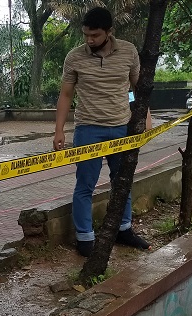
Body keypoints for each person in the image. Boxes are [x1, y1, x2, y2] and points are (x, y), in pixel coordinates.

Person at [53, 7, 151, 257]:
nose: (89, 40)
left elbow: (139, 88)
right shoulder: (74, 57)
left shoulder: (128, 51)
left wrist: (146, 119)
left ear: (109, 32)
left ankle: (123, 229)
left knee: (122, 181)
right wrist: (59, 130)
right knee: (85, 184)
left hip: (122, 127)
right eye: (86, 35)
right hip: (88, 129)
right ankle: (85, 238)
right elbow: (66, 95)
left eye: (95, 35)